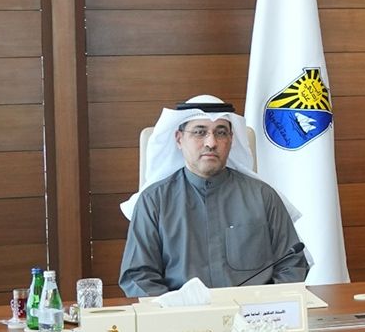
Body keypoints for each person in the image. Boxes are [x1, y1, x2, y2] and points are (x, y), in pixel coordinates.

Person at [119, 96, 308, 296]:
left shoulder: (263, 196)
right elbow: (138, 276)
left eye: (221, 133)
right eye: (199, 132)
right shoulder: (153, 201)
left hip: (255, 311)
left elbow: (292, 265)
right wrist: (172, 309)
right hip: (181, 313)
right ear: (179, 139)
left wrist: (268, 306)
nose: (211, 143)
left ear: (231, 140)